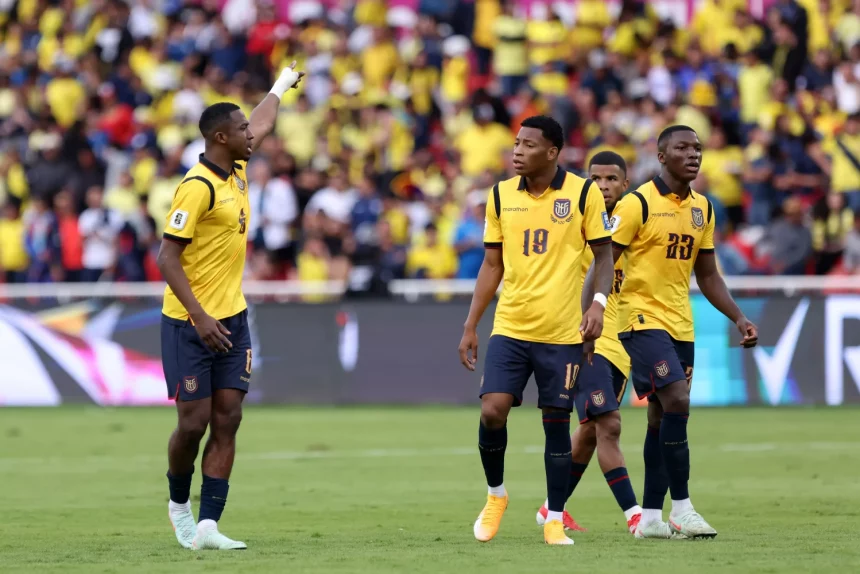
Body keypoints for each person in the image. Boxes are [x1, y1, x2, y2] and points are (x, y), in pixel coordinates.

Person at [158, 63, 304, 551]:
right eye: (241, 130)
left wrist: (280, 86)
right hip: (189, 323)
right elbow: (166, 257)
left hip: (233, 319)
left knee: (229, 418)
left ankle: (208, 525)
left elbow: (262, 121)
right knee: (193, 423)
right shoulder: (196, 188)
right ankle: (179, 505)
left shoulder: (237, 167)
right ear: (220, 136)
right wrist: (199, 317)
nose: (252, 135)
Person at [588, 125, 758, 539]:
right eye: (683, 148)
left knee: (660, 416)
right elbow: (605, 260)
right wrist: (594, 308)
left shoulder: (704, 208)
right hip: (639, 319)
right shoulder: (637, 205)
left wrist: (738, 317)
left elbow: (708, 274)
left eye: (698, 148)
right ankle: (682, 508)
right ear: (662, 157)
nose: (694, 154)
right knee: (678, 399)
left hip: (681, 323)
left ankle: (649, 518)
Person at [457, 115, 615, 546]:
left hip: (563, 332)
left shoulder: (583, 193)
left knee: (556, 424)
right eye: (516, 143)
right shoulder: (500, 195)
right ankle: (495, 496)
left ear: (552, 151)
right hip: (510, 326)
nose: (517, 150)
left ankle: (554, 518)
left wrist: (598, 306)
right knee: (492, 410)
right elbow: (492, 265)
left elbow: (604, 256)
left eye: (528, 144)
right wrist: (471, 324)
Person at [535, 151, 642, 534]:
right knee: (609, 424)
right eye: (595, 179)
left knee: (591, 432)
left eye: (611, 179)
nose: (603, 186)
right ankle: (635, 515)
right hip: (583, 337)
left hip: (621, 341)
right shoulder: (576, 220)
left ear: (625, 184)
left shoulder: (634, 221)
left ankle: (551, 509)